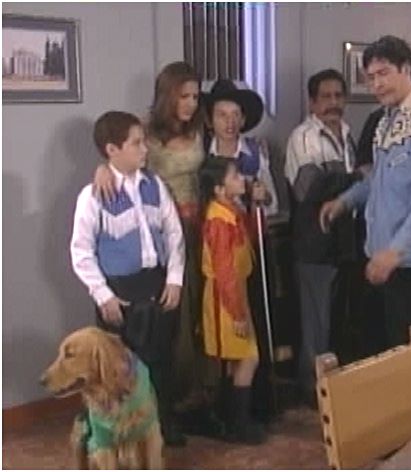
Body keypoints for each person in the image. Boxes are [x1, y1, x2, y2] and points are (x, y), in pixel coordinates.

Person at [93, 62, 215, 442]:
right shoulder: (145, 134)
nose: (191, 103)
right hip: (159, 230)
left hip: (201, 224)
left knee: (204, 311)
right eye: (183, 96)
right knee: (173, 322)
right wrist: (102, 170)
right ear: (167, 96)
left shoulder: (201, 128)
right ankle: (169, 404)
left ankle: (202, 396)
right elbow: (120, 157)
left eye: (195, 96)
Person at [320, 36, 411, 348]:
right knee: (376, 344)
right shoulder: (386, 119)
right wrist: (345, 201)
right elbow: (379, 179)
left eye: (383, 74)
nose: (376, 85)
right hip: (379, 250)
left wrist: (396, 249)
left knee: (408, 349)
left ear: (406, 68)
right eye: (370, 78)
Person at [70, 111, 185, 446]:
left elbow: (173, 233)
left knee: (161, 358)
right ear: (112, 150)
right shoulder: (93, 196)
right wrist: (102, 294)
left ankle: (162, 425)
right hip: (121, 290)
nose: (144, 149)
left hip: (156, 283)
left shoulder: (155, 186)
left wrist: (174, 278)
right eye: (136, 143)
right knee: (121, 366)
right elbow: (81, 250)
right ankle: (122, 434)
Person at [284, 68, 359, 405]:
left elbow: (342, 185)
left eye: (338, 96)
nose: (333, 103)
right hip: (314, 241)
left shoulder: (348, 134)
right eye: (325, 96)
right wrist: (358, 177)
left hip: (344, 239)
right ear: (312, 102)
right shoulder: (303, 137)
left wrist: (346, 179)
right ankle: (312, 390)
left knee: (337, 319)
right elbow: (309, 187)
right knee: (315, 323)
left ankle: (333, 388)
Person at [199, 156, 266, 444]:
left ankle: (231, 417)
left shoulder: (232, 211)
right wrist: (237, 313)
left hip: (236, 290)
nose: (242, 179)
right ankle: (239, 422)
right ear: (219, 188)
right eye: (235, 176)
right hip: (226, 297)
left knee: (237, 359)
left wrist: (255, 205)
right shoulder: (219, 220)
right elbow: (224, 270)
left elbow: (251, 238)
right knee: (248, 357)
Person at [202, 79, 278, 216]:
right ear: (210, 120)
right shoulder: (202, 153)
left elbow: (273, 204)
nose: (229, 122)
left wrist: (263, 196)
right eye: (222, 115)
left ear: (242, 120)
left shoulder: (255, 153)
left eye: (235, 114)